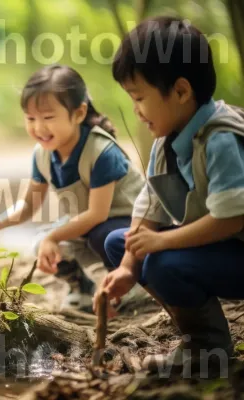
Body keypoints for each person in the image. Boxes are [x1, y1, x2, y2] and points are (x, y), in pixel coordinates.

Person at [95, 16, 244, 373]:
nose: (136, 110)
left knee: (162, 259)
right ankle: (196, 327)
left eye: (139, 97)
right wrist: (129, 267)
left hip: (235, 242)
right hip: (223, 251)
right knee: (121, 242)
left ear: (180, 91)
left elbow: (231, 219)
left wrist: (164, 243)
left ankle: (209, 351)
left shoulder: (221, 137)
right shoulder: (166, 142)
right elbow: (149, 207)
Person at [0, 64, 144, 311]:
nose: (38, 128)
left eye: (48, 118)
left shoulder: (101, 152)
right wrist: (1, 221)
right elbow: (29, 205)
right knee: (42, 245)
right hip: (89, 226)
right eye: (30, 119)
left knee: (100, 236)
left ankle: (130, 284)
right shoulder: (43, 155)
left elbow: (98, 215)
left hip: (127, 225)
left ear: (79, 113)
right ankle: (84, 286)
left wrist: (54, 235)